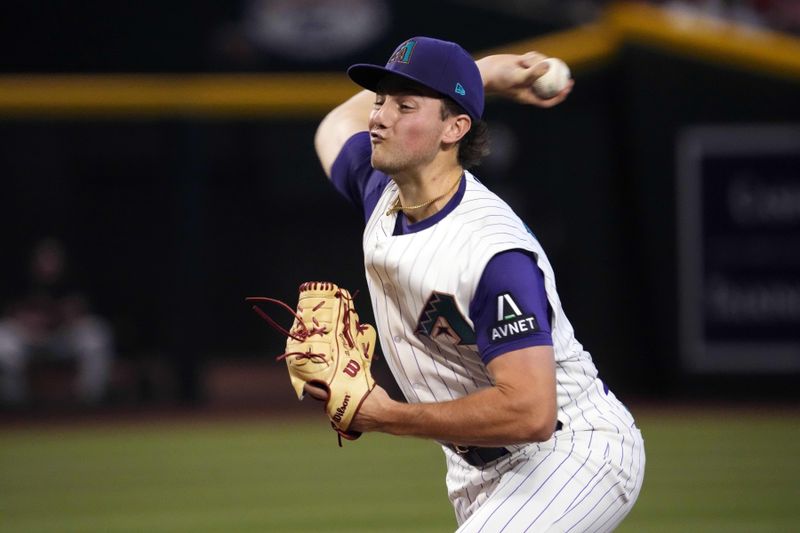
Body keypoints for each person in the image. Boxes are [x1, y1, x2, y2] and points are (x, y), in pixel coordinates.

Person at [312, 36, 645, 532]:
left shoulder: (492, 252)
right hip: (477, 466)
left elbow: (531, 411)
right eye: (380, 101)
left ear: (455, 128)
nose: (378, 118)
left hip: (571, 450)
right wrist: (481, 72)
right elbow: (333, 126)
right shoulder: (383, 192)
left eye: (405, 105)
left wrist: (383, 415)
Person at [0, 239, 114, 406]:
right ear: (34, 262)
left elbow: (79, 312)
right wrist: (28, 322)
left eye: (53, 259)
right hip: (29, 339)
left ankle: (89, 402)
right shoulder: (19, 282)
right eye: (44, 259)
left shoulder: (71, 282)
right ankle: (14, 404)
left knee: (96, 333)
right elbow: (11, 313)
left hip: (61, 338)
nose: (48, 264)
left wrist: (62, 317)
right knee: (4, 339)